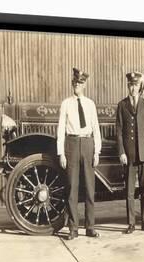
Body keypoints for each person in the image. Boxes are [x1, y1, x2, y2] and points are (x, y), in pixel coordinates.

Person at [57, 68, 101, 239]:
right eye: (75, 82)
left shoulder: (90, 104)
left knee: (90, 188)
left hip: (88, 144)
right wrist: (61, 153)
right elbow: (61, 129)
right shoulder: (66, 104)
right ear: (72, 84)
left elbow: (96, 128)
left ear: (85, 84)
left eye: (81, 83)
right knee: (72, 188)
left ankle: (90, 227)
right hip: (72, 144)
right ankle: (73, 228)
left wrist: (96, 151)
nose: (77, 85)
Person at [116, 72, 144, 234]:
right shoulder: (122, 105)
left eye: (136, 85)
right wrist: (121, 152)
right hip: (129, 156)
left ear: (140, 87)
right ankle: (131, 223)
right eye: (131, 85)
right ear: (128, 86)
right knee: (129, 192)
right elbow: (119, 131)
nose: (133, 88)